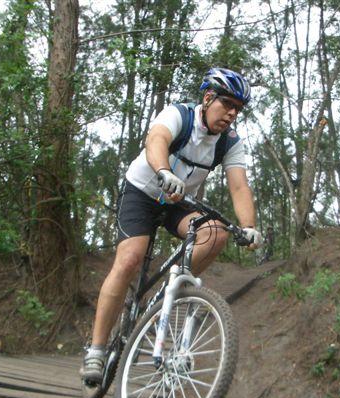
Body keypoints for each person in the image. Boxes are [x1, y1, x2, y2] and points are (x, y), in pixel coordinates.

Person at [81, 67, 263, 382]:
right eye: (228, 104)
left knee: (215, 233)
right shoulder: (180, 115)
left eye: (238, 109)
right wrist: (164, 170)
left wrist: (249, 226)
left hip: (177, 201)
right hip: (143, 191)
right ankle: (96, 351)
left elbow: (239, 187)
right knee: (129, 260)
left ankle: (168, 295)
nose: (233, 113)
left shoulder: (230, 142)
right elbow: (157, 139)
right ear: (208, 98)